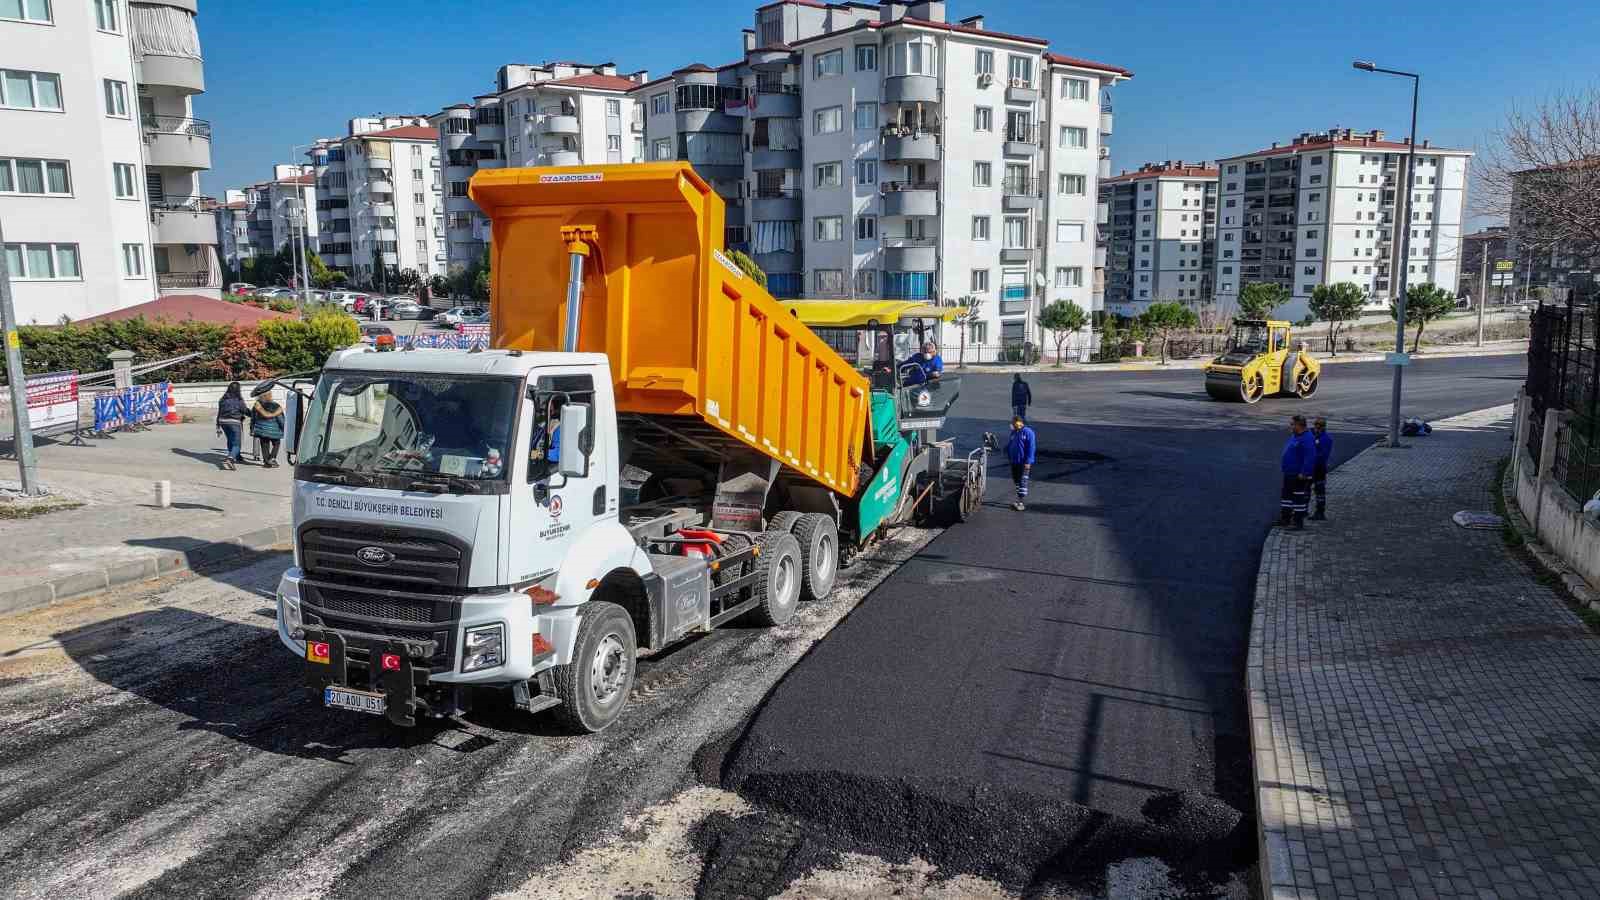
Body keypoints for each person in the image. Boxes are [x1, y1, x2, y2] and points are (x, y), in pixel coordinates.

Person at [1278, 414, 1316, 530]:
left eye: (1292, 424)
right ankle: (1285, 518)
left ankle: (1298, 522)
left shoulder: (1307, 438)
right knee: (1286, 496)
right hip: (1289, 473)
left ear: (1299, 425)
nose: (1290, 426)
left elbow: (1310, 457)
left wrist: (1304, 473)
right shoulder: (1296, 436)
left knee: (1298, 498)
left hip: (1298, 474)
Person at [1005, 415, 1035, 511]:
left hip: (1023, 463)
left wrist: (1028, 462)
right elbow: (1010, 444)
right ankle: (1018, 500)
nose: (1012, 424)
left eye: (1014, 422)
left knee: (1022, 481)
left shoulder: (1028, 432)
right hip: (1014, 461)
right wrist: (1006, 451)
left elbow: (1031, 448)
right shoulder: (1014, 432)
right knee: (1017, 481)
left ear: (1019, 422)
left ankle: (1021, 503)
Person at [215, 382, 247, 471]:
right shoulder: (239, 400)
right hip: (234, 422)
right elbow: (244, 410)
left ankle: (235, 456)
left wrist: (218, 425)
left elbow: (219, 412)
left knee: (230, 439)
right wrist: (254, 415)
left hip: (222, 422)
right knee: (237, 443)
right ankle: (230, 458)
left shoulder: (222, 400)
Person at [250, 391, 286, 468]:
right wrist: (283, 428)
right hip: (274, 430)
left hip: (261, 429)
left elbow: (253, 418)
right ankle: (272, 458)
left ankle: (267, 463)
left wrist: (252, 428)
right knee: (276, 443)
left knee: (264, 445)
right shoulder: (275, 405)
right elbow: (280, 419)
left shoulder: (257, 406)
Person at [1310, 417, 1333, 521]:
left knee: (1319, 489)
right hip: (1312, 466)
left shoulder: (1326, 438)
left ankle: (1320, 512)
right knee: (1307, 489)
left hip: (1319, 467)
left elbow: (1322, 455)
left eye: (1319, 426)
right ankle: (1305, 511)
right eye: (1316, 425)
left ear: (1323, 427)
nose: (1317, 428)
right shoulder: (1314, 436)